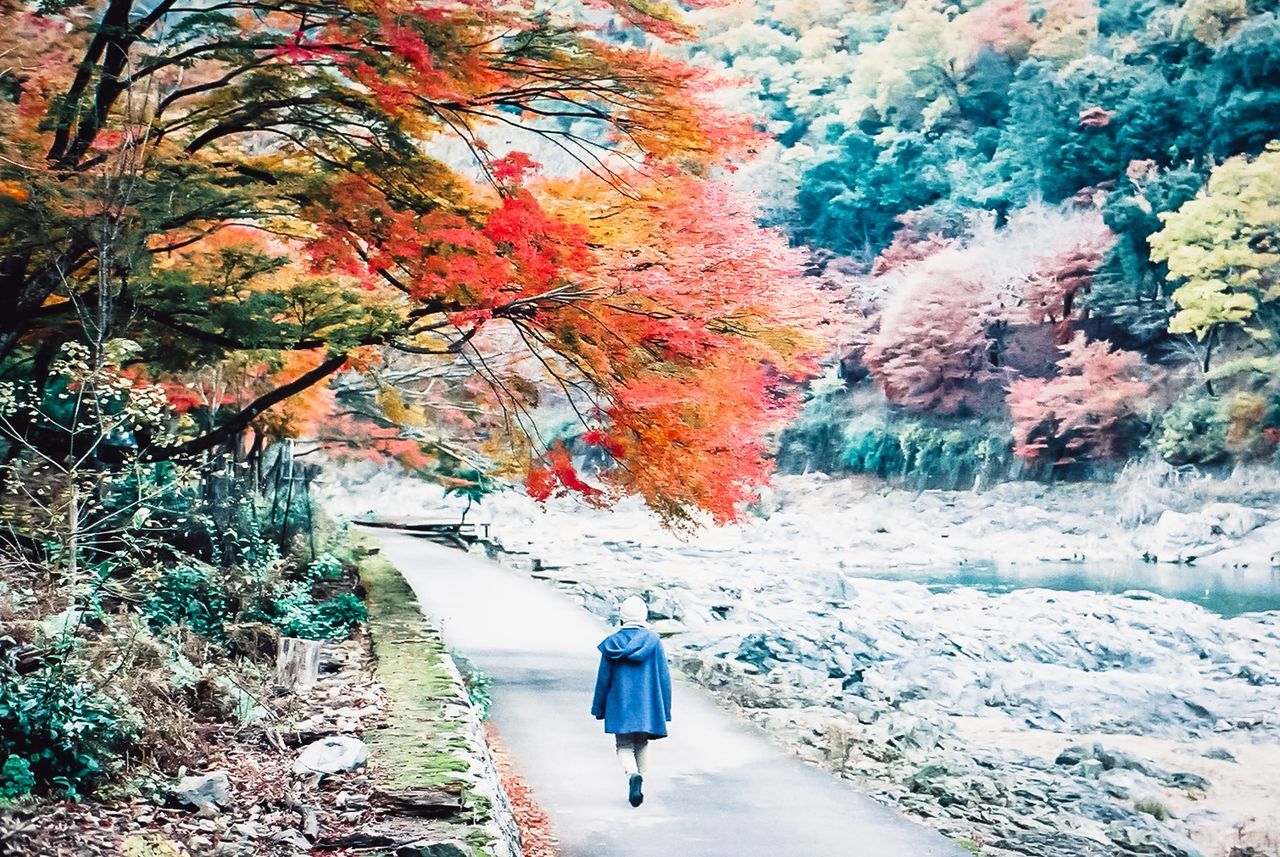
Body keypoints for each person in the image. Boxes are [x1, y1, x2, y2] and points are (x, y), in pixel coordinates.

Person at [590, 595, 672, 807]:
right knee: (642, 742)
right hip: (648, 704)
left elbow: (603, 679)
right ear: (644, 616)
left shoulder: (612, 644)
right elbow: (664, 677)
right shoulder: (653, 641)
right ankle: (641, 781)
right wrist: (666, 709)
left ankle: (631, 774)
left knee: (624, 744)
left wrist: (599, 707)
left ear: (622, 618)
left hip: (620, 704)